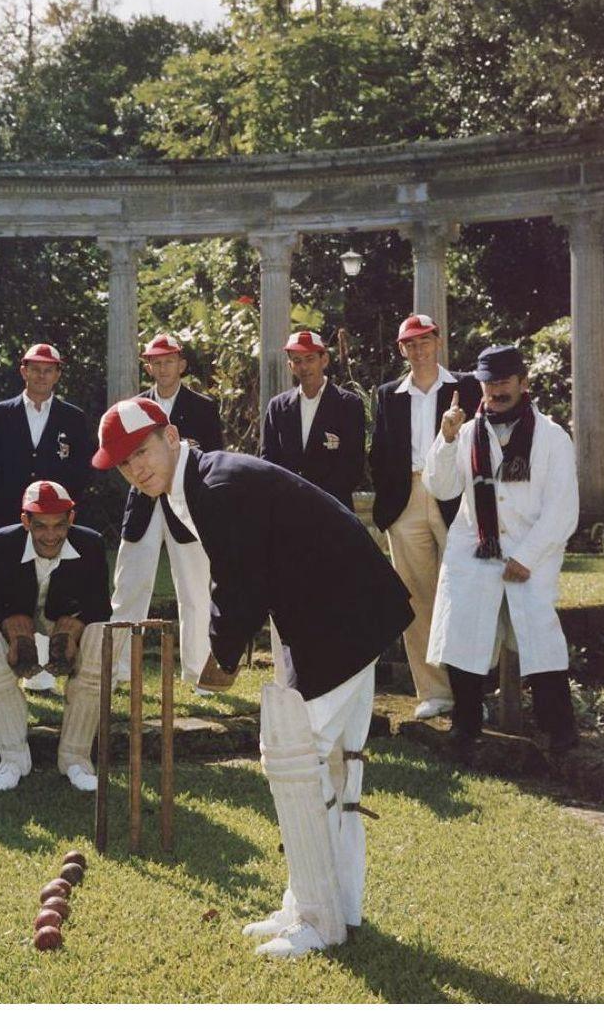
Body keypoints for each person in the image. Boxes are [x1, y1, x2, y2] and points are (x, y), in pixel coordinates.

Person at [94, 397, 413, 960]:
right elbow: (247, 575)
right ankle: (321, 902)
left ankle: (320, 922)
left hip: (340, 617)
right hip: (343, 613)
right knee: (329, 761)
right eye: (123, 464)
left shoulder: (215, 486)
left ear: (170, 436)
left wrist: (221, 658)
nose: (136, 468)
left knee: (294, 757)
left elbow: (238, 584)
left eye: (141, 451)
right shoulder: (197, 482)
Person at [422, 344, 580, 756]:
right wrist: (446, 438)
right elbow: (441, 488)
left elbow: (564, 509)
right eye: (488, 383)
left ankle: (559, 730)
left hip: (532, 553)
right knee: (463, 636)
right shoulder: (468, 432)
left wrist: (526, 558)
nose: (495, 391)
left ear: (523, 382)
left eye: (504, 382)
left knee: (540, 638)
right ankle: (466, 724)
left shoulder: (551, 436)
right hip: (475, 547)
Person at [369, 314, 482, 720]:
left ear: (438, 342)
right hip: (406, 499)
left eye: (424, 341)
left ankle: (472, 693)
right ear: (402, 349)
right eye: (410, 344)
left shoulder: (466, 388)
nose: (418, 350)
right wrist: (390, 502)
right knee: (416, 595)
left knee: (465, 591)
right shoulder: (387, 393)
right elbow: (379, 451)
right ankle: (434, 692)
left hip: (456, 497)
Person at [0, 480, 111, 792]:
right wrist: (15, 628)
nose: (51, 536)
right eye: (41, 526)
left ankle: (76, 758)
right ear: (25, 521)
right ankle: (13, 758)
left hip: (63, 618)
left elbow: (100, 608)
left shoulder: (91, 544)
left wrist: (73, 629)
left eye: (59, 526)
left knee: (102, 641)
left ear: (71, 519)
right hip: (17, 616)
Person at [110, 332, 223, 689]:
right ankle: (118, 671)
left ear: (182, 365)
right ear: (148, 367)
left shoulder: (204, 407)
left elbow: (213, 460)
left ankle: (197, 673)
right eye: (155, 362)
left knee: (194, 591)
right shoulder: (132, 408)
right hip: (142, 505)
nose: (163, 368)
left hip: (186, 508)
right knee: (128, 587)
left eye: (169, 361)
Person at [0, 342, 93, 691]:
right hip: (10, 517)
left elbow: (82, 471)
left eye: (49, 369)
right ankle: (15, 661)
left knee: (52, 588)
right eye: (35, 368)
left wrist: (65, 514)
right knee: (16, 590)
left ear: (58, 374)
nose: (42, 375)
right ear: (23, 371)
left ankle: (45, 670)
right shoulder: (1, 413)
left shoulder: (73, 417)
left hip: (54, 521)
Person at [261, 329, 365, 512]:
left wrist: (316, 500)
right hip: (287, 510)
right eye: (297, 361)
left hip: (333, 511)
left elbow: (353, 465)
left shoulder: (348, 404)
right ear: (290, 365)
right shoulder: (277, 407)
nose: (304, 367)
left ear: (323, 360)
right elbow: (268, 460)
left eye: (310, 359)